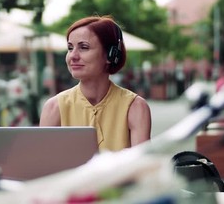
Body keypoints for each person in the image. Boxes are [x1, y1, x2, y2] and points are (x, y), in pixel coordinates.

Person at [39, 16, 151, 152]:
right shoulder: (53, 108)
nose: (73, 56)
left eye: (84, 47)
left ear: (110, 54)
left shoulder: (135, 107)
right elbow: (44, 167)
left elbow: (141, 166)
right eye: (70, 48)